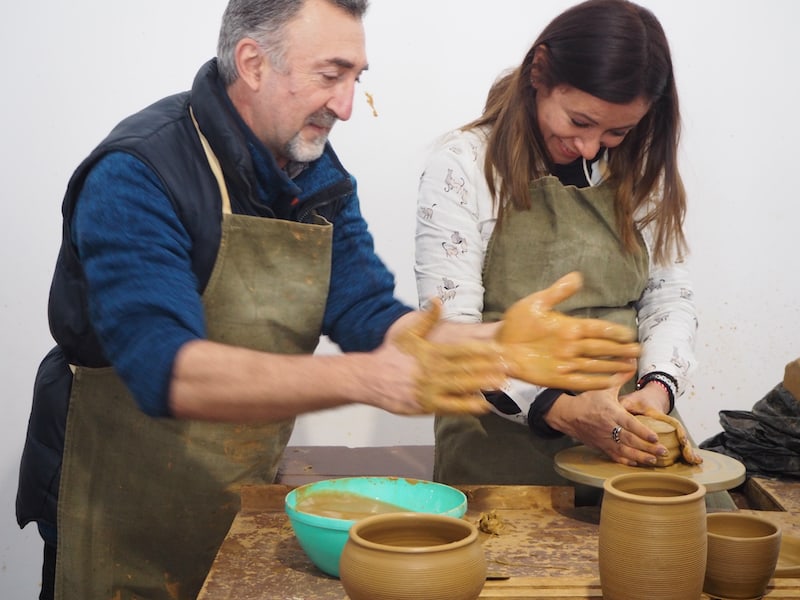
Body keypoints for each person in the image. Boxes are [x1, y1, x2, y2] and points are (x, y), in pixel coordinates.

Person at [15, 1, 642, 599]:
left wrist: (489, 342)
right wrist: (366, 380)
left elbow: (368, 314)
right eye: (330, 77)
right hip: (116, 494)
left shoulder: (313, 173)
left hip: (234, 484)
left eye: (356, 78)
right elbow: (167, 372)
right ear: (254, 63)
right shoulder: (139, 172)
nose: (346, 105)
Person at [415, 0, 701, 487]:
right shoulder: (464, 166)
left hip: (625, 428)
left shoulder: (635, 171)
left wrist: (655, 391)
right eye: (579, 122)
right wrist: (561, 408)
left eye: (617, 131)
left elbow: (667, 296)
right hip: (498, 435)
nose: (591, 147)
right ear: (540, 71)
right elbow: (451, 336)